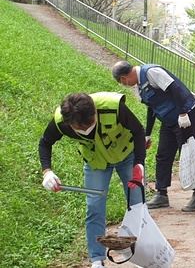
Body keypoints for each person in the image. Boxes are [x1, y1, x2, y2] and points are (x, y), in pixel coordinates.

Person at [39, 92, 146, 268]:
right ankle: (97, 260)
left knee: (137, 204)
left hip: (126, 155)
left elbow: (137, 130)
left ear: (95, 112)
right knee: (94, 207)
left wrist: (139, 164)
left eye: (89, 124)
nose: (85, 130)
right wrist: (47, 171)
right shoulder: (60, 121)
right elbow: (45, 142)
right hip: (96, 162)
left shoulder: (113, 106)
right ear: (69, 124)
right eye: (79, 129)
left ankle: (140, 251)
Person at [112, 61, 195, 212]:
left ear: (124, 78)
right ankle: (161, 194)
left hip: (185, 114)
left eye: (122, 82)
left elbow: (176, 89)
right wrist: (147, 134)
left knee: (188, 153)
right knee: (163, 154)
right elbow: (152, 108)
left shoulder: (151, 73)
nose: (125, 85)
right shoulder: (140, 84)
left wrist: (183, 113)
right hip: (169, 119)